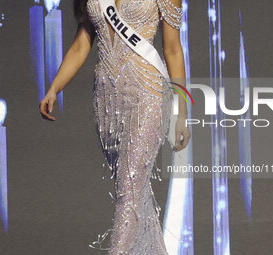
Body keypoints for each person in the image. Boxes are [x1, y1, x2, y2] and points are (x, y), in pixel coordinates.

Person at [39, 0, 190, 253]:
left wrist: (181, 113)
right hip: (107, 100)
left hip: (148, 94)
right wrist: (54, 88)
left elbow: (173, 49)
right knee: (135, 194)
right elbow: (81, 44)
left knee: (129, 190)